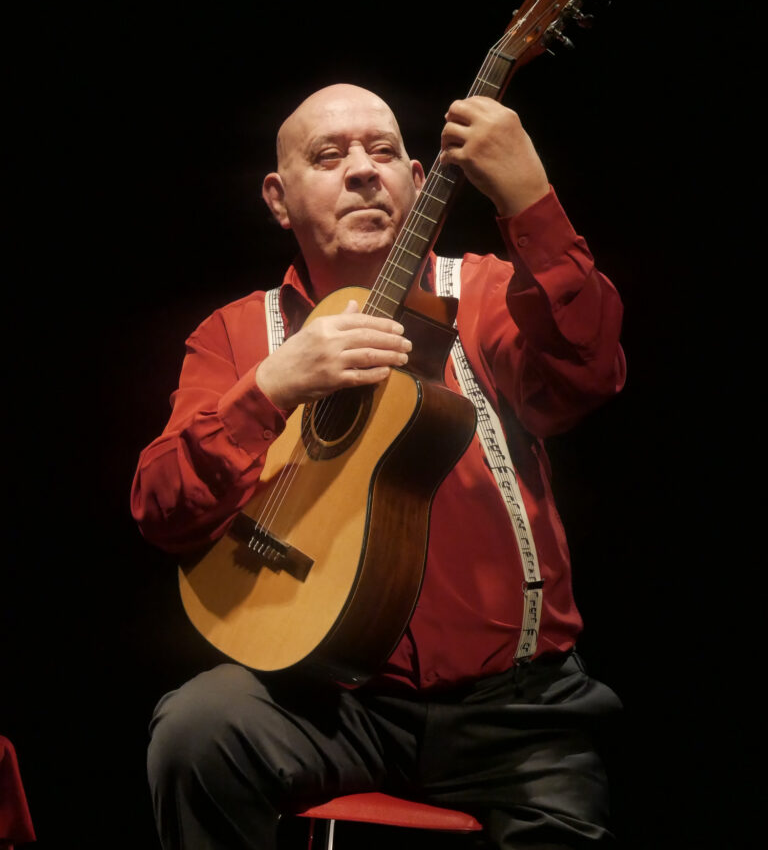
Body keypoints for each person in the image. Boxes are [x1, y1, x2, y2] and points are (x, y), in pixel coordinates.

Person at [131, 83, 626, 849]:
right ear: (278, 198)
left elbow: (588, 374)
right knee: (198, 730)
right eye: (329, 157)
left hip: (517, 714)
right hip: (326, 704)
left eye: (385, 152)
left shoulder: (489, 294)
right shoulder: (237, 334)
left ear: (419, 180)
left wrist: (532, 199)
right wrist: (268, 390)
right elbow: (161, 508)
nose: (364, 171)